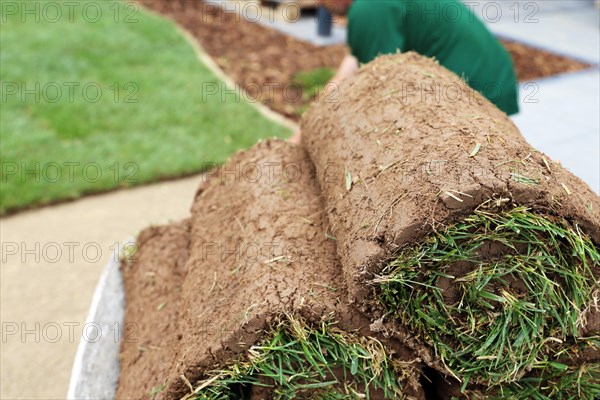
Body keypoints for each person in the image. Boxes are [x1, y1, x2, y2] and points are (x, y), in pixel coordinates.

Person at [290, 0, 519, 143]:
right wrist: (309, 125)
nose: (319, 4)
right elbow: (351, 67)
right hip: (489, 70)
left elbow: (380, 84)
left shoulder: (369, 8)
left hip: (474, 85)